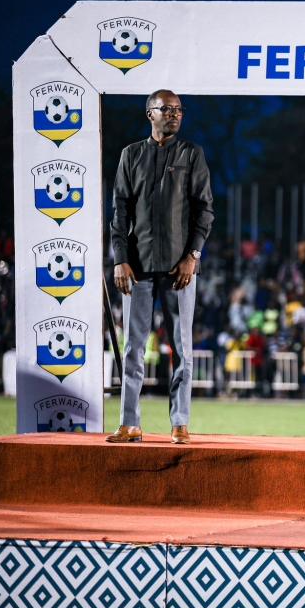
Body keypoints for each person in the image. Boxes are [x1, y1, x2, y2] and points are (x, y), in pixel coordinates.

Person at [108, 89, 214, 445]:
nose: (174, 114)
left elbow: (205, 211)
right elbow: (119, 212)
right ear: (149, 113)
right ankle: (129, 422)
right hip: (136, 268)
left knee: (182, 347)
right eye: (166, 109)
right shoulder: (131, 155)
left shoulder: (191, 154)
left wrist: (191, 257)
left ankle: (179, 422)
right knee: (132, 347)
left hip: (179, 270)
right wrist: (119, 259)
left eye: (178, 109)